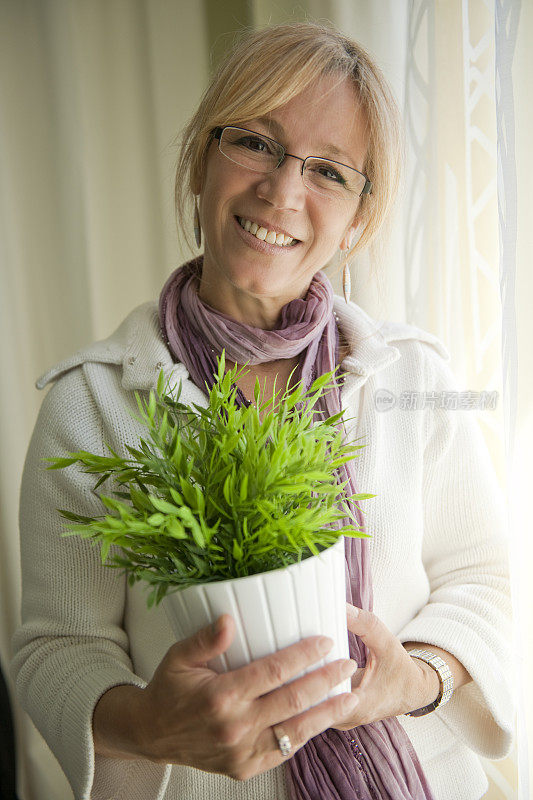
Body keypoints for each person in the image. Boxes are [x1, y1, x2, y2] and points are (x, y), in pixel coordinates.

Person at [11, 21, 513, 800]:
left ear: (359, 219)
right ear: (200, 160)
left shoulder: (412, 376)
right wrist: (147, 723)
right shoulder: (92, 405)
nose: (282, 192)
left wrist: (414, 679)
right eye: (254, 142)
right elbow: (56, 646)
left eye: (329, 172)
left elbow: (484, 580)